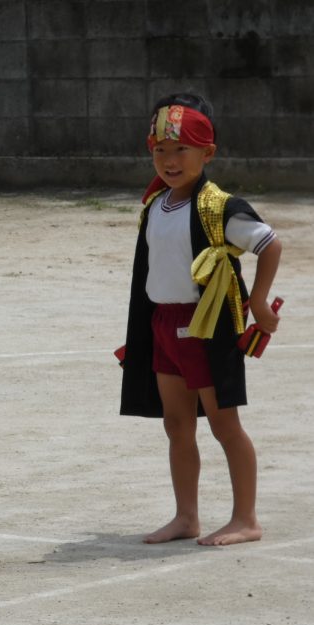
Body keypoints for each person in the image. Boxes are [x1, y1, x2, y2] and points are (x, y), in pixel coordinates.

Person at [120, 93, 282, 546]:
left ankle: (246, 518)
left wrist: (260, 301)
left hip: (207, 327)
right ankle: (186, 516)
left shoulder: (220, 207)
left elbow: (269, 243)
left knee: (224, 424)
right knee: (176, 424)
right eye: (160, 150)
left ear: (207, 153)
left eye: (181, 150)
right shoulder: (155, 204)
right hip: (163, 325)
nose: (169, 161)